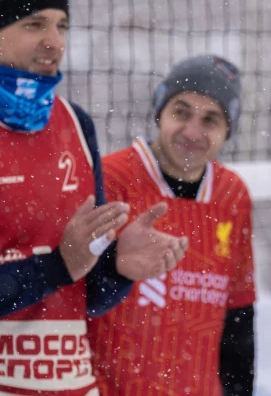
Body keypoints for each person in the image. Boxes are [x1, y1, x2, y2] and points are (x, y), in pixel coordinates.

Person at [0, 0, 189, 395]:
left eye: (62, 26)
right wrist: (52, 268)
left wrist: (118, 268)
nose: (54, 42)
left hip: (72, 383)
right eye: (34, 24)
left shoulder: (76, 125)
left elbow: (79, 289)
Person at [87, 55, 257, 396]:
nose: (192, 131)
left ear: (227, 131)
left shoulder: (232, 195)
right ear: (159, 112)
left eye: (210, 120)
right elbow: (72, 293)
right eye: (181, 112)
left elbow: (238, 312)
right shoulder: (110, 178)